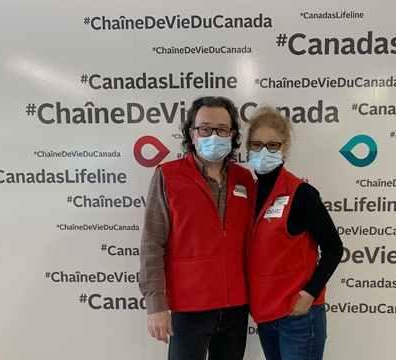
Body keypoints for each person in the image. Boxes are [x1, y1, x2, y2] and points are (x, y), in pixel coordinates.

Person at [139, 96, 253, 360]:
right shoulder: (168, 175)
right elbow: (152, 244)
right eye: (205, 128)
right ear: (192, 133)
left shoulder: (244, 178)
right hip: (189, 306)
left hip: (236, 306)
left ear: (232, 134)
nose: (214, 135)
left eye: (222, 129)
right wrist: (156, 305)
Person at [246, 106, 343, 360]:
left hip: (299, 317)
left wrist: (309, 293)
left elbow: (334, 248)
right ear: (247, 147)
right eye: (256, 144)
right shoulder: (249, 194)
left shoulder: (301, 194)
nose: (264, 151)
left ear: (285, 148)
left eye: (273, 145)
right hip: (267, 316)